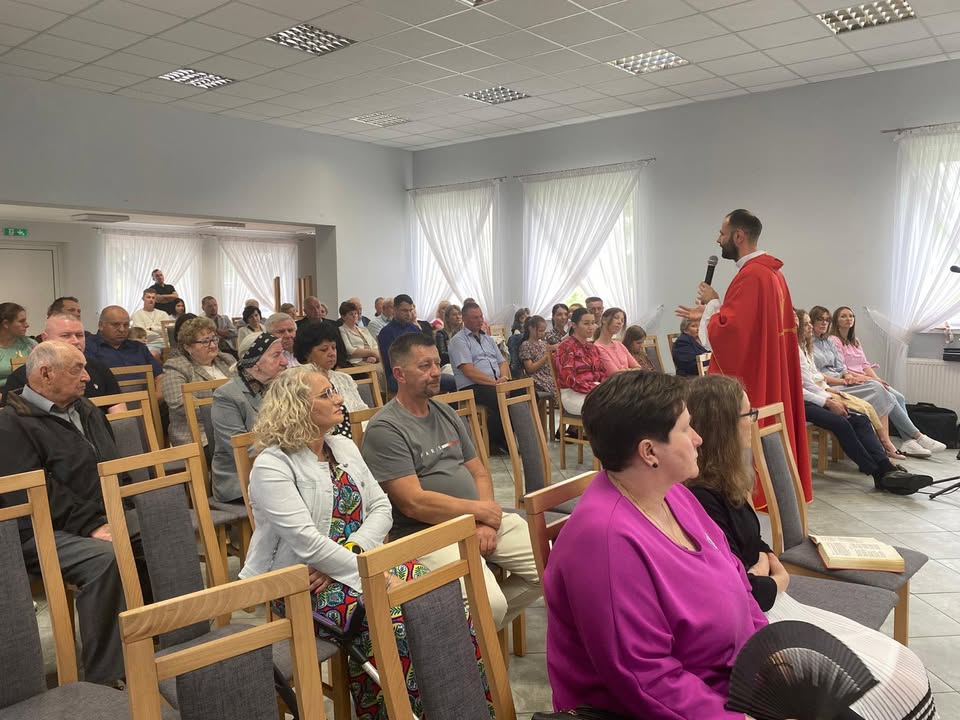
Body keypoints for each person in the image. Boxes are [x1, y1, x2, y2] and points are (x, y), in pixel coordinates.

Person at [684, 374, 936, 719]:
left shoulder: (725, 478)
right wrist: (775, 577)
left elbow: (756, 545)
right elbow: (741, 589)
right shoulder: (700, 496)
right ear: (723, 426)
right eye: (748, 414)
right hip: (757, 618)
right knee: (877, 684)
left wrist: (765, 566)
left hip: (773, 598)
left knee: (902, 664)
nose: (753, 421)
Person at [238, 367, 470, 720]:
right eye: (327, 394)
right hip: (302, 586)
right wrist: (368, 574)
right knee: (397, 622)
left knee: (444, 602)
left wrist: (354, 554)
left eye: (335, 390)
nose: (340, 399)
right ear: (298, 407)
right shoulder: (272, 465)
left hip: (358, 562)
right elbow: (308, 544)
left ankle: (458, 709)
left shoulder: (342, 446)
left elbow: (381, 508)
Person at [544, 371, 767, 718]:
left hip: (730, 685)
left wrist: (768, 655)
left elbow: (737, 578)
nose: (698, 439)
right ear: (649, 452)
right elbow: (646, 679)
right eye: (685, 429)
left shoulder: (675, 495)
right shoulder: (604, 542)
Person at [362, 333, 541, 627]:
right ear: (399, 374)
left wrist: (485, 520)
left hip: (475, 520)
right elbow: (414, 503)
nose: (436, 372)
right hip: (427, 533)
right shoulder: (385, 428)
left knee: (551, 567)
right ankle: (471, 638)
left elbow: (479, 472)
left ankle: (471, 634)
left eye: (437, 363)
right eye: (424, 366)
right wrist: (478, 512)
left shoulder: (444, 412)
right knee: (490, 605)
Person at [0, 342, 147, 688]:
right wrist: (92, 524)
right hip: (38, 529)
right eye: (76, 369)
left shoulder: (86, 409)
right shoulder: (10, 424)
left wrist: (126, 505)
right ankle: (106, 676)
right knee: (105, 559)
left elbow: (111, 464)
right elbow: (35, 491)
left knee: (162, 531)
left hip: (97, 514)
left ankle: (158, 638)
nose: (87, 377)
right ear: (45, 374)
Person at [676, 209, 810, 509]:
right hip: (769, 371)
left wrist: (713, 303)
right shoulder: (772, 274)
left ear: (738, 236)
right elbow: (748, 327)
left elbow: (731, 334)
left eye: (722, 234)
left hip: (755, 379)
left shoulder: (751, 275)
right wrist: (712, 310)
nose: (718, 240)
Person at [795, 310, 932, 493]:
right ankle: (879, 473)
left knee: (861, 419)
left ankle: (885, 466)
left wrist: (829, 395)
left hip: (820, 392)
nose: (810, 327)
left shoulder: (805, 347)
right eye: (806, 323)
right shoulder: (790, 349)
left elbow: (813, 382)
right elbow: (798, 388)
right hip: (800, 402)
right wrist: (827, 401)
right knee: (842, 423)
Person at [809, 305, 944, 459]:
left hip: (848, 378)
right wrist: (851, 379)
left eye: (826, 320)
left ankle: (906, 440)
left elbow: (849, 366)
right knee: (883, 393)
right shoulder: (823, 341)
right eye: (820, 319)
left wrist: (873, 378)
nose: (824, 322)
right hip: (834, 383)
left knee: (896, 396)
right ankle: (906, 438)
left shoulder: (831, 341)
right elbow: (817, 374)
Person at [210, 332, 288, 504]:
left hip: (280, 468)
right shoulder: (226, 396)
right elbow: (243, 450)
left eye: (283, 354)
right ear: (255, 363)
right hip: (240, 478)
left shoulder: (280, 387)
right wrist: (291, 461)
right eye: (276, 355)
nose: (285, 361)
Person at [3, 313, 123, 410]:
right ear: (45, 339)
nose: (75, 341)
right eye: (66, 335)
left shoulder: (99, 368)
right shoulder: (22, 377)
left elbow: (118, 411)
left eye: (79, 335)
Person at [161, 317, 235, 449]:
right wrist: (229, 409)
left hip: (236, 427)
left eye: (214, 339)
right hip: (200, 435)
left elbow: (246, 388)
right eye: (205, 341)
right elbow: (179, 404)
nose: (213, 345)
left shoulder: (226, 359)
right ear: (188, 346)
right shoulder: (176, 366)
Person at [448, 301, 510, 452]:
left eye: (481, 316)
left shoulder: (488, 339)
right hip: (472, 386)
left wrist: (504, 378)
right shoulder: (458, 340)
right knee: (499, 397)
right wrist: (494, 383)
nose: (480, 320)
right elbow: (468, 371)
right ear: (464, 319)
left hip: (496, 383)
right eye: (475, 317)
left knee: (525, 393)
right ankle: (494, 442)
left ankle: (511, 436)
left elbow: (502, 362)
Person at [378, 294, 454, 393]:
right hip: (399, 375)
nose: (409, 314)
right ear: (395, 310)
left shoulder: (414, 328)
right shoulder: (386, 333)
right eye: (405, 311)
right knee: (423, 381)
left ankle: (443, 404)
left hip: (423, 370)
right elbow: (391, 361)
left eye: (410, 310)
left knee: (454, 382)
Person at [294, 319, 368, 420]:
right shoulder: (300, 382)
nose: (332, 353)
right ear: (307, 353)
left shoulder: (344, 378)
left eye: (333, 348)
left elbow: (363, 411)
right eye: (324, 350)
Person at [85, 306, 164, 395]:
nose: (122, 329)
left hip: (146, 399)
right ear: (101, 325)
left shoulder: (139, 348)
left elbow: (159, 376)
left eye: (126, 325)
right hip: (107, 400)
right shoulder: (88, 347)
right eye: (115, 325)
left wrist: (156, 397)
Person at [554, 308, 607, 415]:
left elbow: (602, 372)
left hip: (595, 391)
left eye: (593, 323)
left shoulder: (593, 347)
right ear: (574, 325)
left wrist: (606, 387)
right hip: (573, 394)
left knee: (625, 403)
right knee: (611, 408)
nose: (591, 327)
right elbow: (568, 379)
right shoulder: (565, 347)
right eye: (586, 323)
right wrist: (595, 389)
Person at [0, 302, 37, 389]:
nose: (27, 325)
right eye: (21, 321)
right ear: (6, 324)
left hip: (27, 391)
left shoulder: (30, 344)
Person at [593, 307, 638, 374]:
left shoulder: (619, 344)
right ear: (604, 320)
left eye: (622, 321)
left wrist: (625, 370)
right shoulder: (598, 347)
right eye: (616, 318)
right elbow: (615, 374)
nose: (620, 322)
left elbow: (638, 367)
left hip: (629, 379)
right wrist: (631, 370)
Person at [519, 315, 556, 395]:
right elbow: (530, 369)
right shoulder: (526, 345)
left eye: (544, 331)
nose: (543, 333)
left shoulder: (544, 343)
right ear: (531, 329)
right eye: (540, 331)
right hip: (537, 377)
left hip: (548, 374)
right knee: (555, 386)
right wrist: (545, 357)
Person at [130, 288, 171, 357]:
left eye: (153, 298)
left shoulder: (163, 314)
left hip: (165, 343)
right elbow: (141, 334)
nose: (151, 299)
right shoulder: (137, 315)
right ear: (143, 298)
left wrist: (151, 329)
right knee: (151, 354)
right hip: (147, 344)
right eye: (148, 297)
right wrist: (161, 332)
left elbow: (168, 331)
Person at [338, 300, 380, 366]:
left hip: (373, 359)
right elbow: (350, 350)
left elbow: (375, 345)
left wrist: (374, 356)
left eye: (355, 313)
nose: (354, 316)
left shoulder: (364, 329)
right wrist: (371, 353)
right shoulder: (342, 330)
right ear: (343, 317)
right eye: (351, 314)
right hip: (356, 362)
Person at [434, 303, 462, 371]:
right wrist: (460, 354)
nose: (458, 317)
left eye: (459, 314)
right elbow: (442, 354)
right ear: (447, 318)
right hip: (448, 365)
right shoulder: (441, 334)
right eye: (454, 314)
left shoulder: (465, 333)